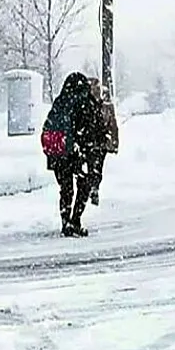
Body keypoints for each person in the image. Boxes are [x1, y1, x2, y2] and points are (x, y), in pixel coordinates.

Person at [40, 72, 98, 237]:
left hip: (58, 152)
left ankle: (65, 222)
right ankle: (75, 220)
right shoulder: (85, 102)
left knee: (65, 189)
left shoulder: (60, 101)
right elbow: (89, 129)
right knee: (84, 185)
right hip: (77, 152)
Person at [87, 77, 119, 206]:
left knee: (95, 165)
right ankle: (93, 186)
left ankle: (93, 186)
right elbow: (112, 124)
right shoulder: (92, 105)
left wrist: (114, 142)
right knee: (96, 166)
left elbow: (112, 124)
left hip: (96, 141)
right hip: (96, 141)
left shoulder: (103, 105)